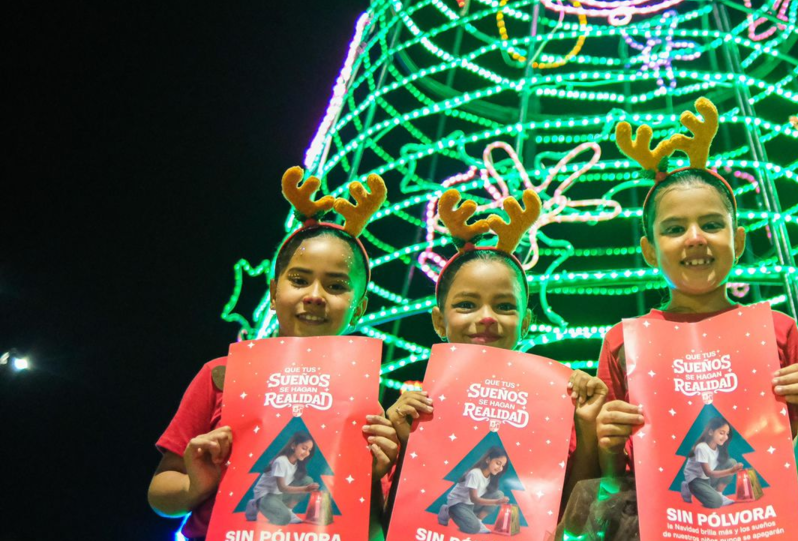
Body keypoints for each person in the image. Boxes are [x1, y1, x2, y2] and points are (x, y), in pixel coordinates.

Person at [560, 98, 798, 541]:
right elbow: (612, 481)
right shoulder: (624, 342)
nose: (695, 238)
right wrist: (606, 442)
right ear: (649, 251)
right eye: (673, 229)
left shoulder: (776, 330)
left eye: (712, 224)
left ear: (738, 240)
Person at [148, 167, 400, 541]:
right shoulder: (222, 375)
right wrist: (195, 484)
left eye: (336, 286)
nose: (315, 295)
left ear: (359, 309)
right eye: (299, 280)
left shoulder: (366, 403)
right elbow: (161, 493)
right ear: (272, 291)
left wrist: (371, 478)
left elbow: (372, 531)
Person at [386, 185, 608, 514]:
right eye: (467, 304)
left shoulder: (556, 406)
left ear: (526, 322)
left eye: (504, 306)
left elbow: (575, 513)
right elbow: (393, 513)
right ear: (438, 321)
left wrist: (586, 427)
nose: (487, 317)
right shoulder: (417, 408)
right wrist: (404, 441)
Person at [246, 432, 321, 524]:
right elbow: (282, 487)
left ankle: (288, 510)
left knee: (307, 480)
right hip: (265, 495)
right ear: (293, 446)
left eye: (309, 450)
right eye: (304, 448)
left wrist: (308, 487)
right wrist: (305, 489)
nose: (307, 453)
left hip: (278, 495)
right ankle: (256, 504)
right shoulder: (281, 461)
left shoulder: (297, 463)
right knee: (284, 519)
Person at [436, 447, 513, 534]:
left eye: (502, 466)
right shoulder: (475, 474)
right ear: (488, 460)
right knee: (473, 528)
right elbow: (474, 499)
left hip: (470, 504)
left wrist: (497, 500)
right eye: (498, 463)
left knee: (498, 494)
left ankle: (478, 520)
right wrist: (496, 502)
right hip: (458, 503)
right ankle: (448, 511)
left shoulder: (490, 476)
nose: (500, 468)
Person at [681, 418, 743, 509]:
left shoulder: (718, 448)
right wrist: (731, 471)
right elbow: (708, 473)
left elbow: (712, 471)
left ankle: (719, 493)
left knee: (732, 462)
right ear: (711, 432)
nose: (725, 437)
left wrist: (732, 469)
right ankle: (689, 487)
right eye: (721, 433)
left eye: (727, 434)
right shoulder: (702, 447)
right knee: (716, 502)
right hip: (696, 479)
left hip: (707, 479)